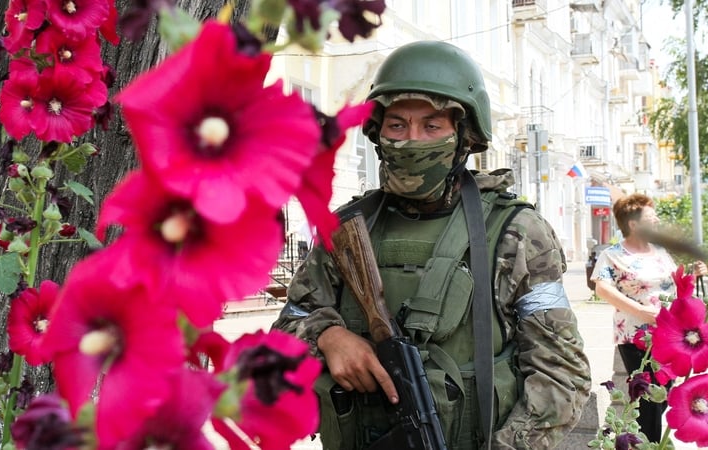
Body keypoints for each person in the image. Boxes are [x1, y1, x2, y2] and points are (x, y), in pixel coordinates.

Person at [272, 41, 591, 449]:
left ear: (463, 136)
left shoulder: (517, 232)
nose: (412, 140)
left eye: (432, 126)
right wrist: (327, 337)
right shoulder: (348, 228)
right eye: (397, 125)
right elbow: (287, 327)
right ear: (378, 133)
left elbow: (562, 373)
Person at [591, 193, 707, 443]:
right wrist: (640, 311)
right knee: (648, 402)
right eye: (651, 217)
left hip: (670, 338)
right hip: (636, 337)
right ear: (634, 224)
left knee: (661, 396)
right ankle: (648, 444)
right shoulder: (613, 255)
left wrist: (694, 273)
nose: (656, 221)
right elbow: (602, 288)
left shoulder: (660, 252)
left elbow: (672, 284)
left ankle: (645, 443)